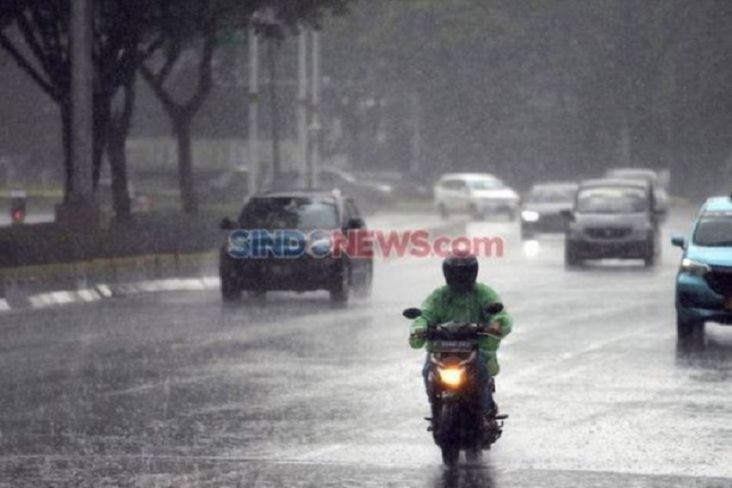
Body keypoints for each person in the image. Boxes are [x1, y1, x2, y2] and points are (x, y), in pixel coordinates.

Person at [409, 252, 512, 419]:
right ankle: (436, 404)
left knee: (482, 371)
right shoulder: (438, 297)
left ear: (473, 272)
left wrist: (497, 324)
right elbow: (424, 316)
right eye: (456, 272)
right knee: (428, 371)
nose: (460, 277)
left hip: (475, 350)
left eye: (465, 272)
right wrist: (419, 329)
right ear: (447, 273)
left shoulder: (484, 294)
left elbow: (501, 315)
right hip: (441, 352)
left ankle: (486, 410)